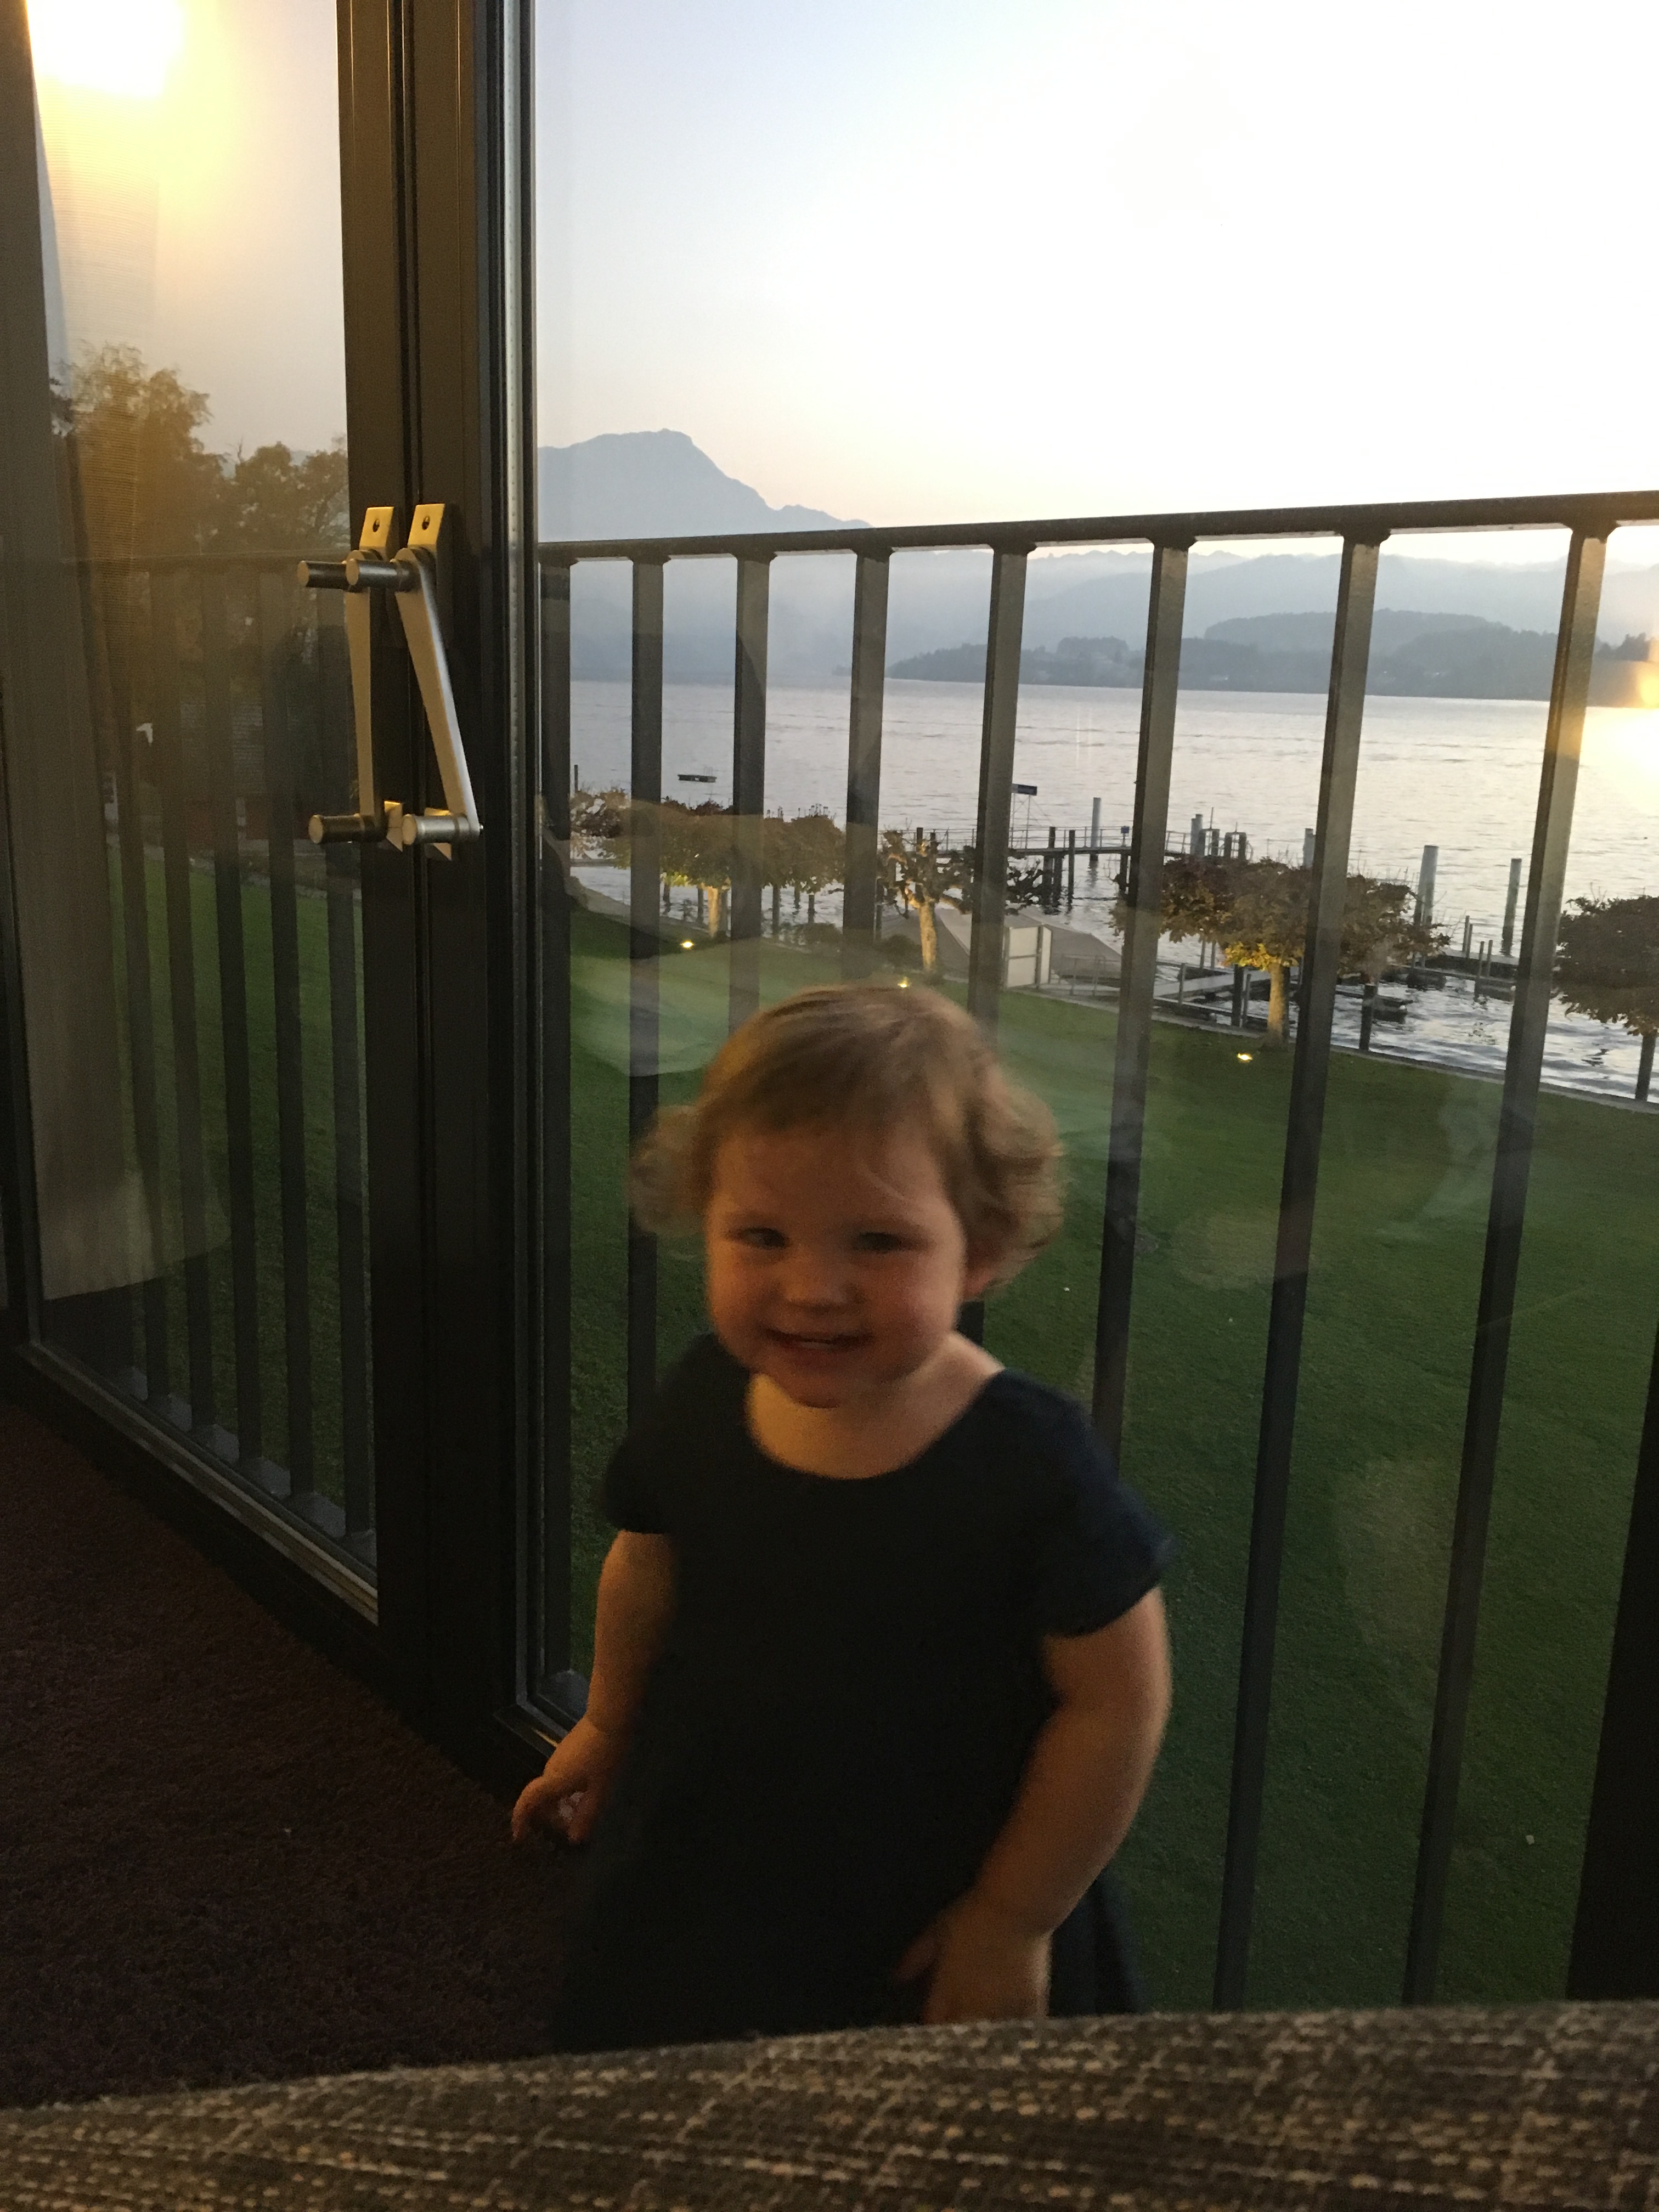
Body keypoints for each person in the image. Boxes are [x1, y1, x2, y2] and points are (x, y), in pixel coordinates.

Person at [513, 981, 1173, 2050]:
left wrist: (1012, 1918)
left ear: (982, 1246)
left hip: (927, 1894)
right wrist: (608, 1722)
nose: (813, 1288)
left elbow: (1118, 1703)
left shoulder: (1029, 1466)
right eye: (761, 1235)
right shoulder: (706, 1396)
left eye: (877, 1241)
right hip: (708, 1862)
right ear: (703, 1220)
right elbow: (648, 1564)